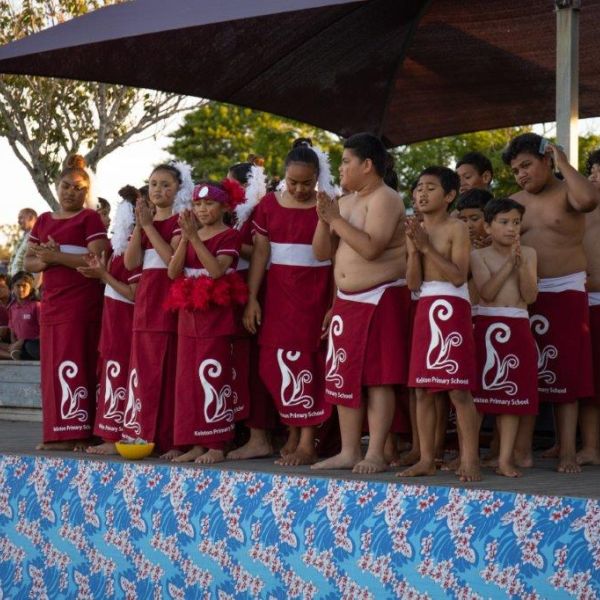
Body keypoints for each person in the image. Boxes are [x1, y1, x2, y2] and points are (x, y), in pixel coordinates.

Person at [310, 133, 410, 474]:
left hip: (380, 295)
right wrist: (326, 218)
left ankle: (376, 453)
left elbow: (371, 248)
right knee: (343, 374)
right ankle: (350, 450)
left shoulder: (385, 198)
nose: (341, 168)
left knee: (378, 378)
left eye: (346, 161)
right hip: (348, 301)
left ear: (367, 165)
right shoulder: (347, 201)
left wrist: (335, 219)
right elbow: (323, 253)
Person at [502, 133, 599, 473]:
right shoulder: (514, 203)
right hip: (527, 295)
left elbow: (589, 199)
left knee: (567, 376)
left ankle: (570, 451)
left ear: (547, 161)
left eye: (527, 165)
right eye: (516, 170)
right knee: (528, 373)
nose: (522, 174)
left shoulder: (568, 192)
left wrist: (562, 160)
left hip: (568, 291)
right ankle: (521, 450)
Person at [244, 138, 333, 466]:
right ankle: (293, 430)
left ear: (317, 177)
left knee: (309, 363)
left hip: (316, 291)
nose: (298, 190)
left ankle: (308, 440)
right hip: (278, 292)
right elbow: (261, 254)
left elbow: (337, 259)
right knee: (275, 363)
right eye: (293, 182)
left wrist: (334, 302)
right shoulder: (267, 204)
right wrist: (252, 297)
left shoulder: (329, 204)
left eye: (306, 183)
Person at [401, 166, 481, 482]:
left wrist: (425, 247)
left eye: (431, 187)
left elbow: (459, 275)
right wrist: (412, 249)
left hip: (452, 304)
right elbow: (412, 283)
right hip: (425, 304)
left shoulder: (456, 228)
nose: (422, 193)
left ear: (449, 196)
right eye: (419, 186)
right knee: (422, 389)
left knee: (457, 389)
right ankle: (425, 459)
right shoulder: (415, 229)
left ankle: (470, 459)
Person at [24, 154, 108, 450]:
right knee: (54, 366)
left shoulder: (90, 218)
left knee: (79, 363)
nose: (71, 192)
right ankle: (57, 433)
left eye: (78, 188)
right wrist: (46, 259)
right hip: (53, 304)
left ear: (87, 192)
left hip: (82, 304)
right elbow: (29, 261)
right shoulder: (45, 220)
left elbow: (97, 260)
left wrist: (55, 257)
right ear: (56, 186)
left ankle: (80, 434)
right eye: (66, 186)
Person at [167, 180, 247, 464]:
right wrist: (187, 239)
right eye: (197, 204)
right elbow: (173, 272)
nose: (202, 209)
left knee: (212, 376)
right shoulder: (191, 234)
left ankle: (216, 442)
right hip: (189, 317)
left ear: (225, 206)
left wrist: (195, 239)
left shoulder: (230, 236)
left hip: (216, 318)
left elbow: (215, 272)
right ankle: (195, 442)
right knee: (188, 379)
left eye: (209, 204)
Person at [123, 161, 194, 457]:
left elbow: (172, 265)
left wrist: (150, 227)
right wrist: (141, 226)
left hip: (169, 303)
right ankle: (141, 434)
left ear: (178, 189)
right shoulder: (145, 221)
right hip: (145, 305)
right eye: (153, 184)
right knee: (144, 372)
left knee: (169, 372)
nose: (158, 190)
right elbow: (130, 263)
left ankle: (171, 440)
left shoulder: (181, 221)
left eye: (166, 185)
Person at [470, 198, 538, 477]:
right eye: (504, 222)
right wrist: (510, 264)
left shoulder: (530, 253)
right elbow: (487, 292)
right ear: (487, 226)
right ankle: (470, 456)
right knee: (480, 397)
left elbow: (530, 296)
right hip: (487, 326)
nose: (512, 228)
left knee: (511, 398)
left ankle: (505, 459)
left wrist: (521, 265)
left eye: (517, 223)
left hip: (518, 324)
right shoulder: (479, 256)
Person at [79, 186, 141, 455]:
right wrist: (100, 273)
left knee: (119, 378)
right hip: (112, 325)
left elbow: (134, 294)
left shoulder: (132, 253)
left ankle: (114, 437)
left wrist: (103, 276)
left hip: (125, 326)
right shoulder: (117, 251)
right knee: (110, 376)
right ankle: (107, 435)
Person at [226, 159, 280, 460]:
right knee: (241, 367)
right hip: (237, 291)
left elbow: (264, 249)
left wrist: (224, 240)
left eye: (232, 183)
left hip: (257, 290)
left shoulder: (261, 209)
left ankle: (261, 435)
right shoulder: (238, 215)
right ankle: (246, 430)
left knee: (255, 366)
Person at [581, 148, 600, 465]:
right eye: (592, 171)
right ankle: (590, 447)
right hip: (587, 300)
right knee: (589, 379)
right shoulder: (581, 208)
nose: (595, 177)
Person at [0, 272, 40, 361]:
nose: (21, 289)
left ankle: (18, 355)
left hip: (32, 345)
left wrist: (22, 341)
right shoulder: (12, 308)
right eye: (18, 286)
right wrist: (14, 344)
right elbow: (12, 330)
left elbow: (44, 332)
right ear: (12, 288)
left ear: (31, 288)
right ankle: (13, 356)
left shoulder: (37, 306)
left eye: (24, 286)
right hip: (17, 346)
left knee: (29, 346)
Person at [8, 209, 37, 277]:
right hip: (15, 282)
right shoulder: (24, 236)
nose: (18, 221)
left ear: (31, 218)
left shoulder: (38, 236)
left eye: (21, 218)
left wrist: (34, 286)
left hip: (26, 283)